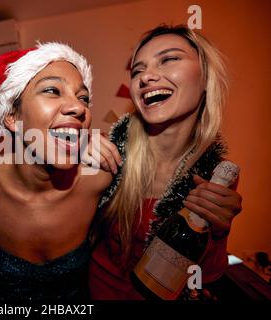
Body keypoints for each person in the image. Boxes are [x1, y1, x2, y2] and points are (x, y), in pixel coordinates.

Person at [89, 25, 243, 300]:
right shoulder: (108, 153)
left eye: (169, 59)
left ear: (206, 78)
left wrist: (218, 233)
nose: (145, 76)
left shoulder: (215, 175)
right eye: (137, 70)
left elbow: (205, 277)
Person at [0, 42, 122, 300]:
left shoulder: (100, 179)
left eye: (83, 98)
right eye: (53, 90)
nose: (79, 108)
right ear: (12, 116)